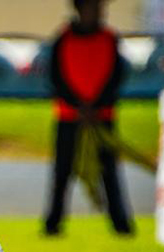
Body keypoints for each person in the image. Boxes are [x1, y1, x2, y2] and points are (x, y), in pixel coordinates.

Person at [44, 0, 133, 236]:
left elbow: (116, 75)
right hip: (69, 117)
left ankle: (120, 224)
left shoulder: (109, 38)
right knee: (62, 173)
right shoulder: (63, 38)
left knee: (109, 173)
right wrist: (78, 105)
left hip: (100, 116)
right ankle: (52, 224)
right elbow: (56, 77)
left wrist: (96, 105)